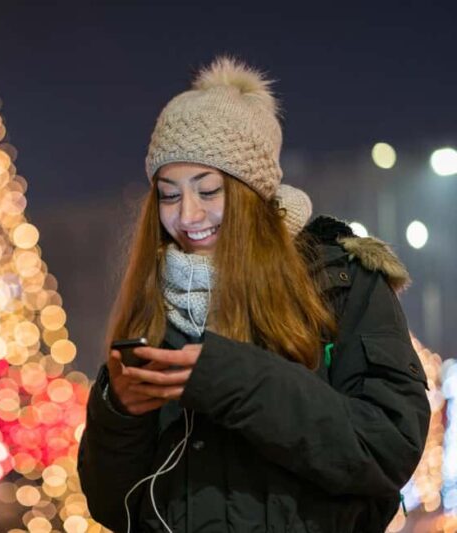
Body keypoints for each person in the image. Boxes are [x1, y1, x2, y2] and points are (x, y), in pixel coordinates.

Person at [77, 56, 430, 533]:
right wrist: (119, 413)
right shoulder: (156, 299)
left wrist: (229, 377)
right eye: (169, 195)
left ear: (251, 194)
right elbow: (114, 507)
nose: (187, 216)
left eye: (208, 191)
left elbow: (387, 448)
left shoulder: (340, 280)